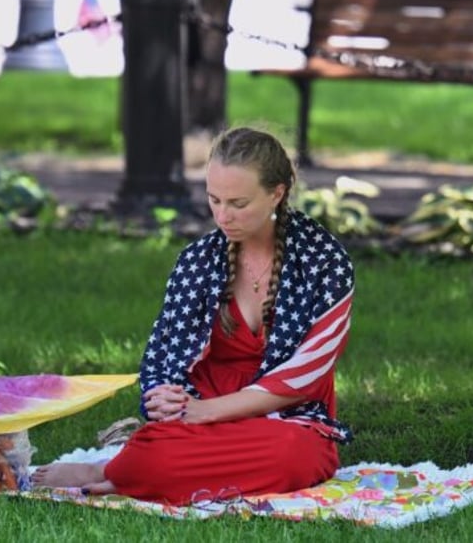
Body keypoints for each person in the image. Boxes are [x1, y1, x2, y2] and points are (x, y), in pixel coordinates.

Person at [32, 126, 355, 505]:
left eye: (238, 203)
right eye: (214, 200)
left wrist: (207, 412)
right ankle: (129, 467)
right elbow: (163, 350)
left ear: (277, 193)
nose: (223, 215)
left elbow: (307, 373)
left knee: (295, 457)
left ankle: (117, 472)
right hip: (201, 404)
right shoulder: (198, 260)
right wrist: (164, 397)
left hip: (286, 415)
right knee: (154, 452)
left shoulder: (323, 260)